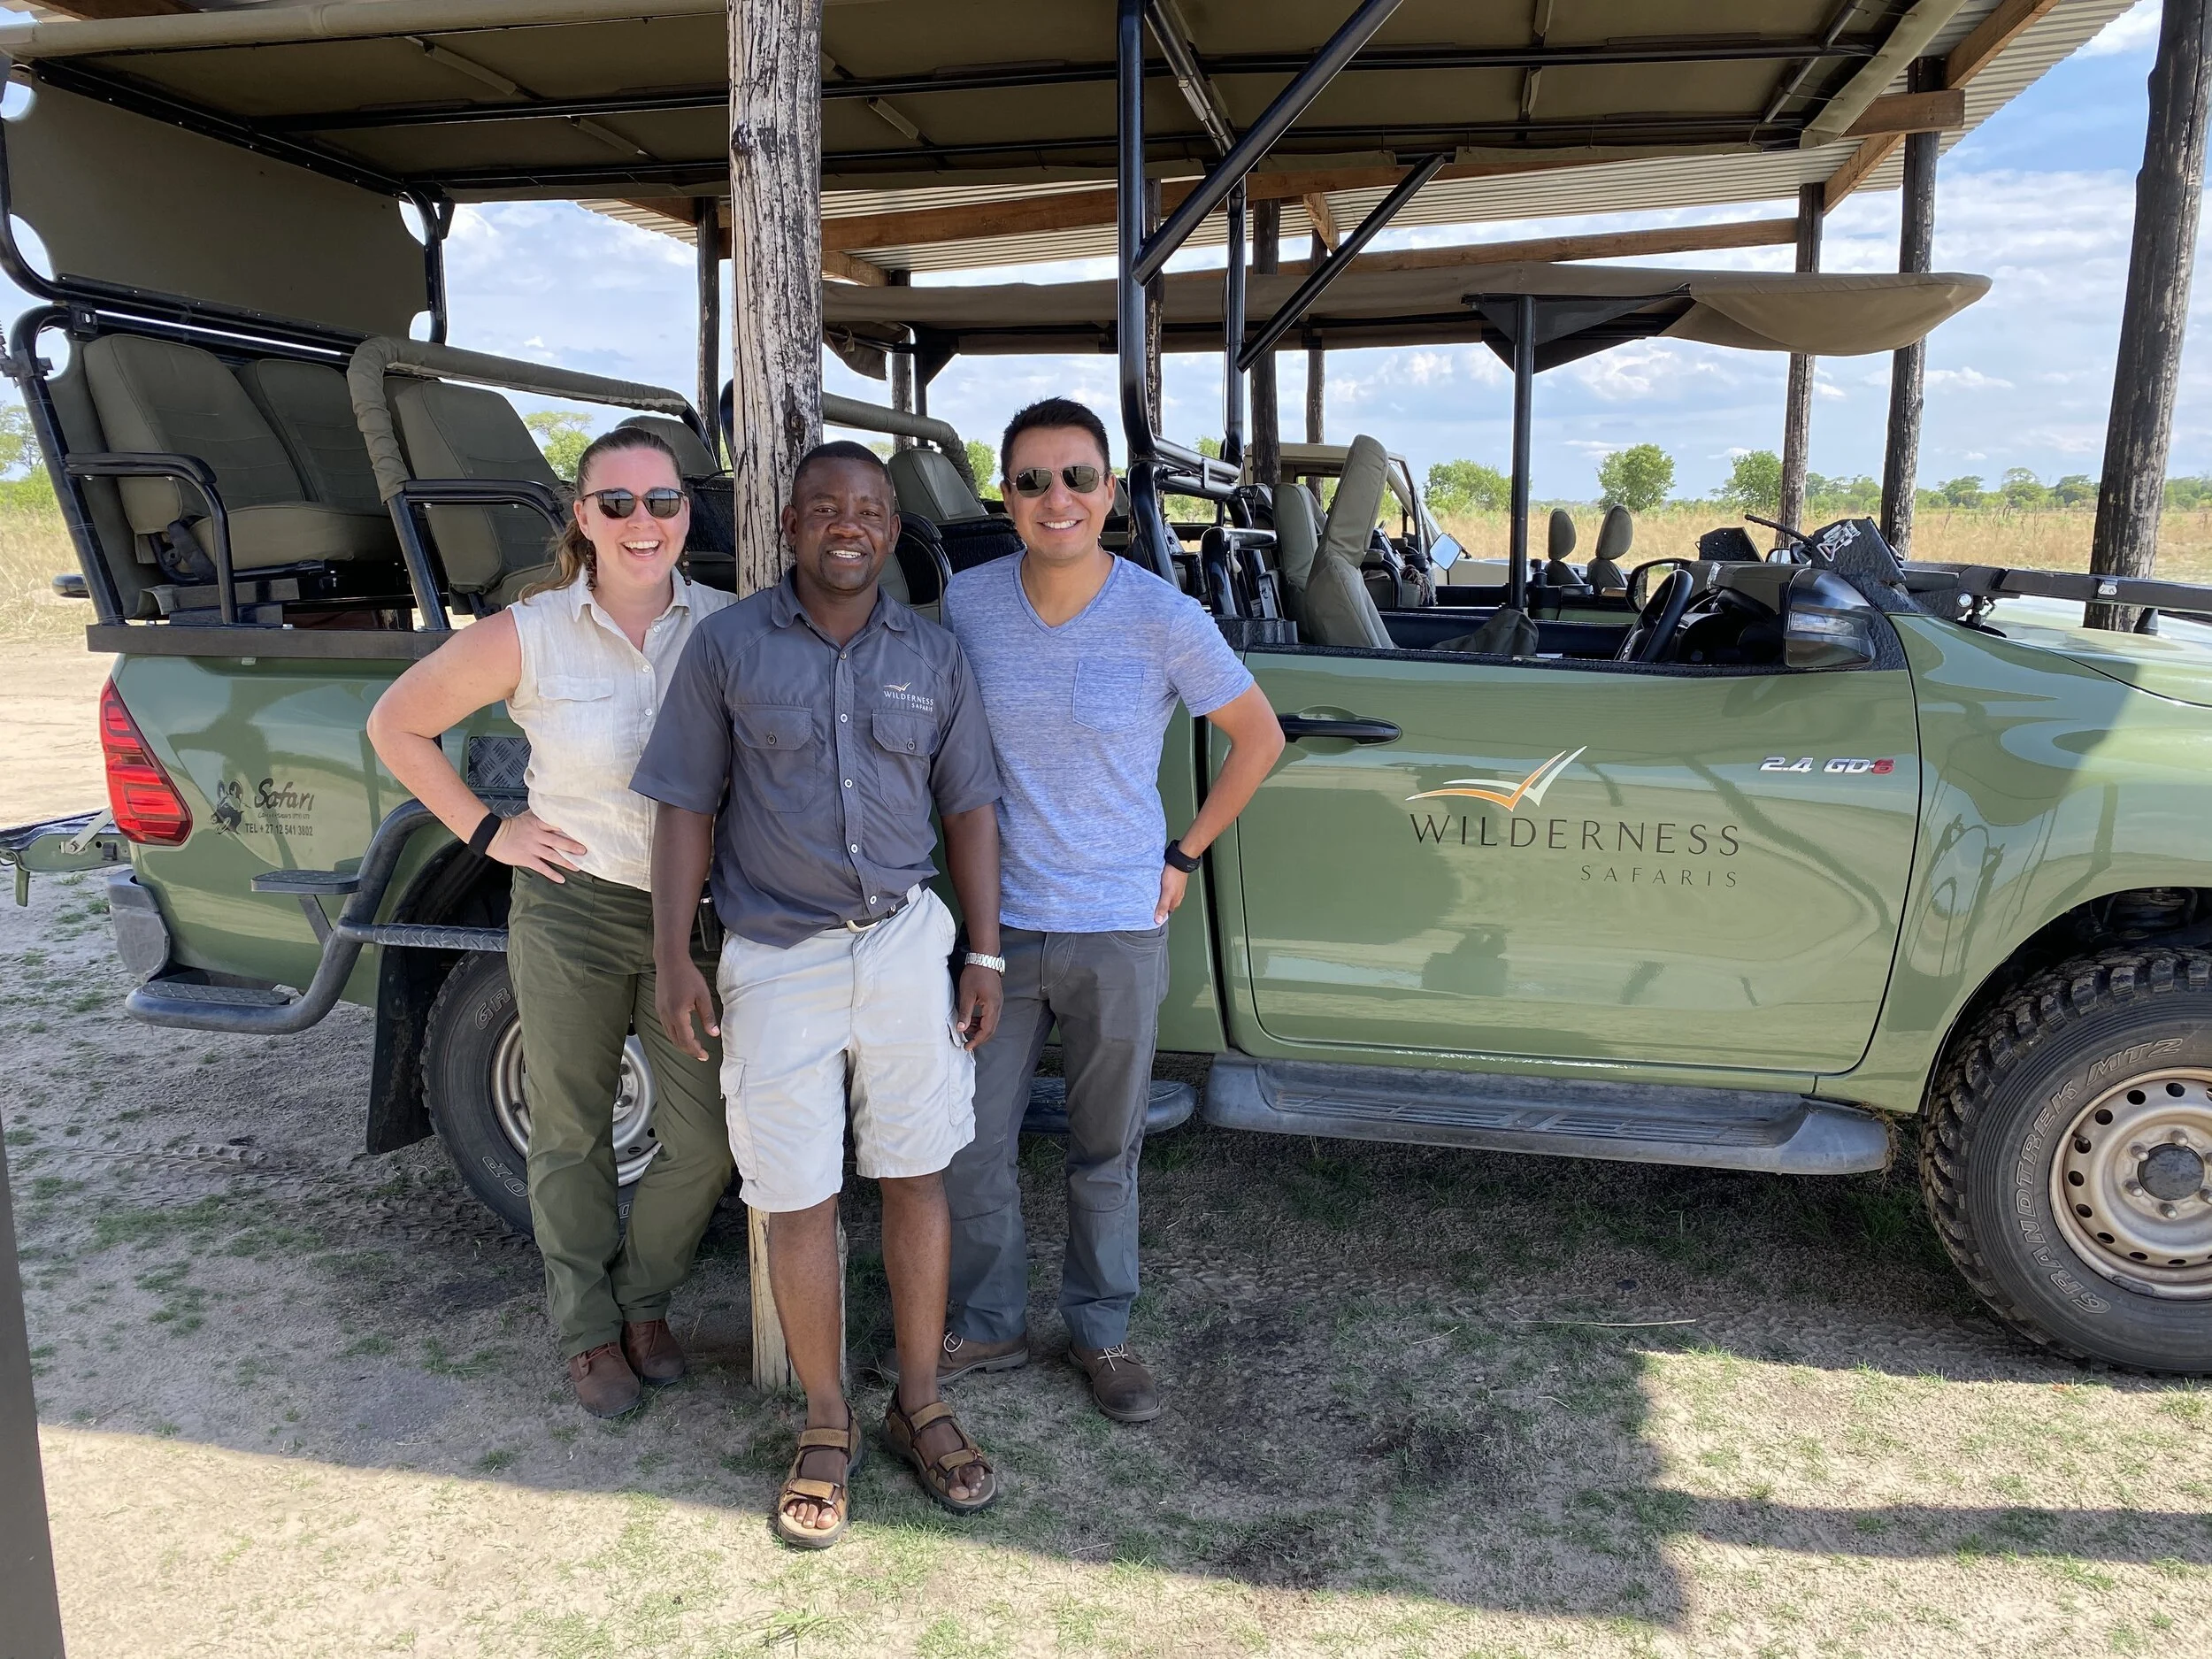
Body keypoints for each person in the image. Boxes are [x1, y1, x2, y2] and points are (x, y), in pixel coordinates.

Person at [634, 441, 1006, 1548]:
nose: (849, 527)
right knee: (792, 1194)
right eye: (826, 509)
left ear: (892, 532)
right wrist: (672, 955)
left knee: (915, 1174)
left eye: (870, 512)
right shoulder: (729, 646)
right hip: (775, 958)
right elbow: (684, 807)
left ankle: (922, 1402)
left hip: (901, 946)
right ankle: (828, 1419)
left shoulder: (931, 655)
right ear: (791, 526)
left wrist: (980, 955)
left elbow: (972, 807)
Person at [366, 426, 734, 1419]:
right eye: (615, 503)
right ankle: (584, 1331)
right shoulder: (530, 632)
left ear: (685, 514)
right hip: (572, 909)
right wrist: (491, 833)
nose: (641, 522)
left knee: (703, 1142)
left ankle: (644, 1302)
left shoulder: (729, 624)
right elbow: (396, 723)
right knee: (569, 1133)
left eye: (661, 501)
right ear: (582, 517)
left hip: (691, 919)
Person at [935, 398, 1285, 1423]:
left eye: (1078, 477)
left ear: (1111, 494)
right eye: (1034, 479)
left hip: (1118, 925)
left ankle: (1102, 1332)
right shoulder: (965, 604)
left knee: (1105, 1148)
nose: (1057, 499)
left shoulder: (1161, 617)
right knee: (971, 1141)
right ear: (1007, 496)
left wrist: (1183, 852)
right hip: (997, 930)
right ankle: (990, 1323)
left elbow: (1256, 738)